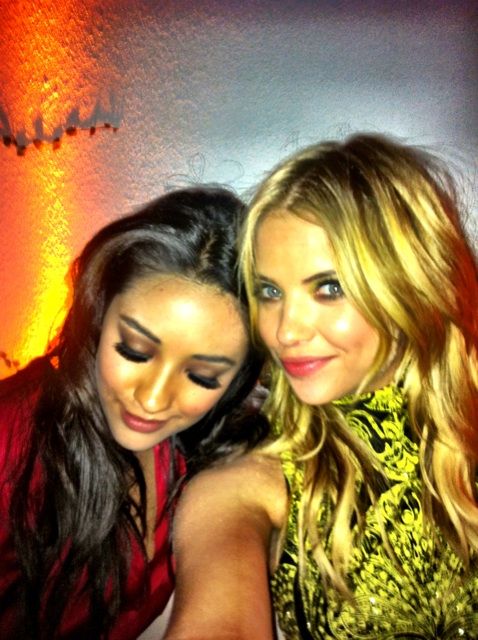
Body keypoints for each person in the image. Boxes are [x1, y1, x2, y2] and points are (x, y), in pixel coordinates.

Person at [163, 134, 478, 639]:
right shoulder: (251, 484)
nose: (285, 331)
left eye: (328, 288)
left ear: (412, 286)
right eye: (269, 292)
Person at [0, 186, 267, 639]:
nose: (154, 399)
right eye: (134, 350)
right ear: (99, 314)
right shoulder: (12, 438)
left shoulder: (197, 453)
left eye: (202, 376)